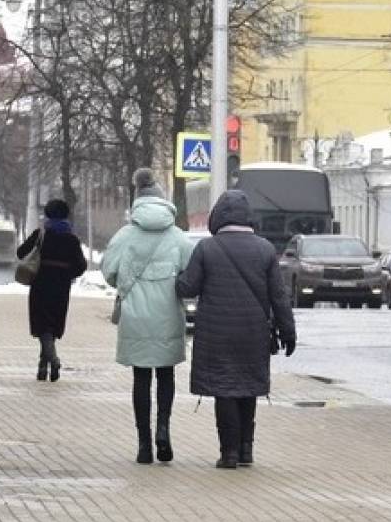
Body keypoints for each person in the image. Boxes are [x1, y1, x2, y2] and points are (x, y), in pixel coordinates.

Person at [176, 190, 296, 469]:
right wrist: (287, 332)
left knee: (225, 390)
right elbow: (279, 296)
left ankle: (228, 452)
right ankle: (246, 451)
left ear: (217, 217)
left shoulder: (207, 248)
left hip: (216, 333)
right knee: (248, 388)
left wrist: (175, 278)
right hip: (253, 333)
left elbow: (188, 287)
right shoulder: (265, 248)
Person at [102, 169, 193, 465]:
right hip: (168, 316)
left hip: (136, 317)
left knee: (141, 378)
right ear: (163, 202)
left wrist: (129, 286)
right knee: (165, 375)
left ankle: (143, 444)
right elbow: (191, 275)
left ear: (137, 203)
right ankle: (164, 430)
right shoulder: (178, 237)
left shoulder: (125, 235)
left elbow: (109, 272)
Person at [17, 198, 88, 382]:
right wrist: (66, 272)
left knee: (43, 326)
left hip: (40, 285)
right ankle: (43, 366)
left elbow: (21, 252)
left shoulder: (41, 235)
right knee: (53, 325)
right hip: (61, 287)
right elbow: (81, 266)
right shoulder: (72, 239)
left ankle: (52, 361)